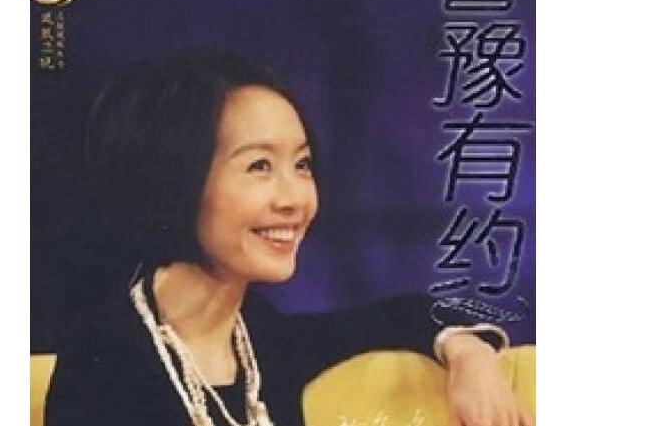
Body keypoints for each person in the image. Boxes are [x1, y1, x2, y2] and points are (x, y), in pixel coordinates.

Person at [45, 50, 534, 426]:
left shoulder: (261, 340)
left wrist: (470, 355)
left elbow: (406, 315)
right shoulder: (104, 363)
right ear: (175, 179)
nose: (295, 198)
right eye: (259, 166)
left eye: (301, 165)